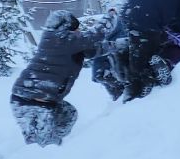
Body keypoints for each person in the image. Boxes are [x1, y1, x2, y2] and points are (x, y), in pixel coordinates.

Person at [9, 11, 111, 145]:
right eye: (76, 29)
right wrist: (110, 17)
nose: (79, 31)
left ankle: (56, 146)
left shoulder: (65, 43)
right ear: (65, 27)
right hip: (29, 101)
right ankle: (41, 155)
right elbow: (93, 36)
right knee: (41, 147)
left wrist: (121, 44)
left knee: (69, 115)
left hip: (46, 101)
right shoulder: (58, 38)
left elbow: (94, 49)